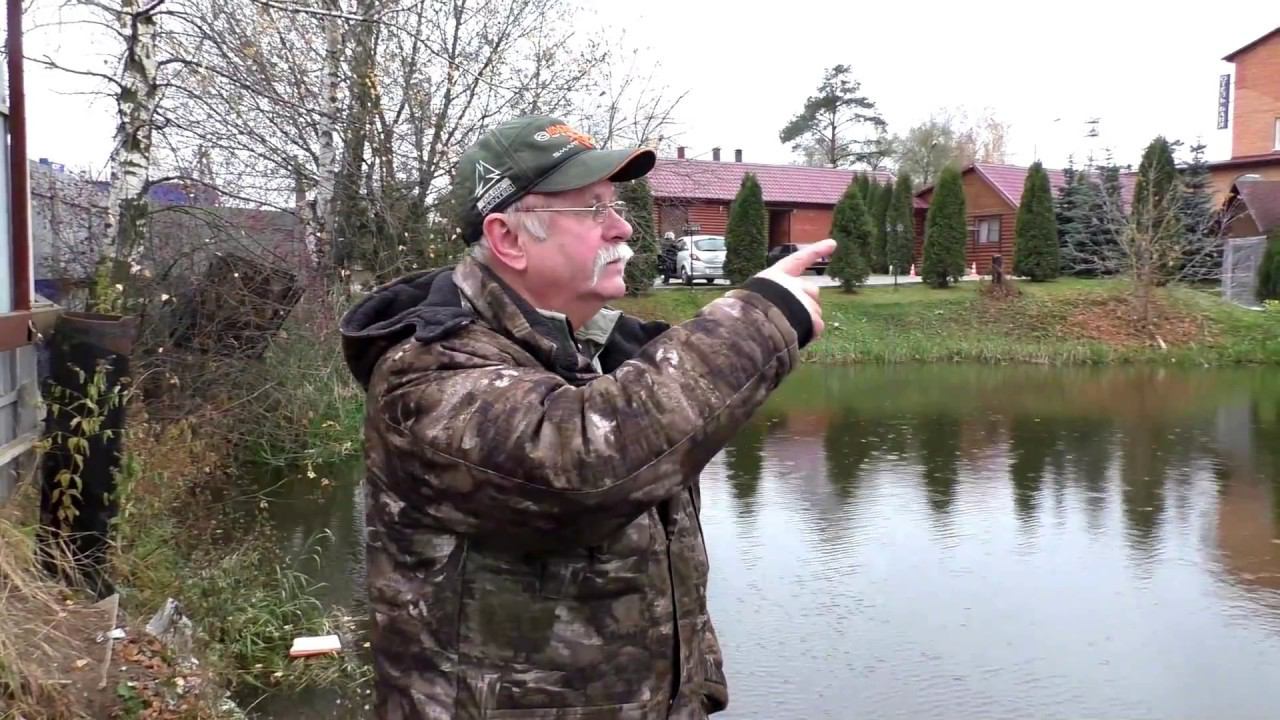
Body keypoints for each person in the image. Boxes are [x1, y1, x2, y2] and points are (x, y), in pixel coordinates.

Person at [339, 114, 834, 720]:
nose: (622, 227)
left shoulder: (600, 355)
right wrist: (760, 320)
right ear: (508, 238)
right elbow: (582, 468)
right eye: (593, 209)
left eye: (615, 205)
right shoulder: (426, 373)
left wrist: (695, 690)